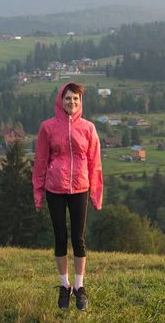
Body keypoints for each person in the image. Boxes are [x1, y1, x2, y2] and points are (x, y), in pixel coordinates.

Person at [33, 82, 103, 311]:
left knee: (78, 238)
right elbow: (41, 160)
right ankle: (64, 286)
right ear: (60, 101)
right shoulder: (48, 127)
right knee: (60, 238)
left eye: (75, 99)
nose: (71, 102)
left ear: (80, 102)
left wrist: (96, 193)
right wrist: (38, 192)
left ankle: (80, 288)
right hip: (55, 188)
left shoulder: (89, 128)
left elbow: (95, 163)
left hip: (80, 188)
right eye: (67, 98)